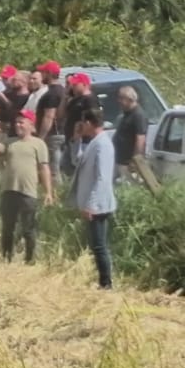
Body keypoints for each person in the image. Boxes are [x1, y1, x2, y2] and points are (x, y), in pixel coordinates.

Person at [0, 109, 53, 263]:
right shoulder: (8, 142)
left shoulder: (39, 144)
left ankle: (29, 260)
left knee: (28, 229)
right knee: (7, 228)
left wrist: (48, 192)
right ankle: (6, 258)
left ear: (31, 125)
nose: (18, 125)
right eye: (16, 122)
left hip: (28, 192)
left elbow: (44, 168)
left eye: (21, 122)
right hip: (9, 190)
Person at [71, 108, 116, 289]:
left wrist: (91, 204)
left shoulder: (102, 144)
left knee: (99, 245)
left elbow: (102, 177)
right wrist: (77, 139)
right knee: (95, 244)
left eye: (83, 123)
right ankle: (102, 281)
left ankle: (106, 283)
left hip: (99, 204)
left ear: (89, 123)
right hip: (92, 202)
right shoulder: (93, 142)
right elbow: (77, 160)